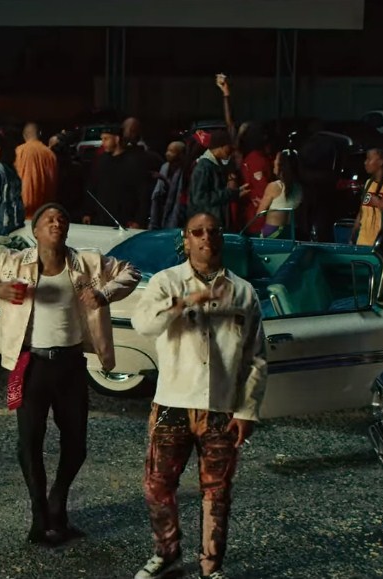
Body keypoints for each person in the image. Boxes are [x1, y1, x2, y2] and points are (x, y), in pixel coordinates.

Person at [0, 203, 140, 546]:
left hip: (71, 364)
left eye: (62, 219)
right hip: (31, 364)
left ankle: (58, 500)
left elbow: (131, 272)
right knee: (29, 443)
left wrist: (103, 293)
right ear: (36, 231)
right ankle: (40, 515)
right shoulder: (12, 263)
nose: (57, 223)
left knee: (77, 446)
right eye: (49, 219)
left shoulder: (87, 262)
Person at [131, 212, 267, 579]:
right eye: (198, 232)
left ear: (221, 237)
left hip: (222, 408)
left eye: (213, 231)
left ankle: (211, 566)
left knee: (217, 492)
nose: (206, 237)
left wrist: (247, 410)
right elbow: (144, 324)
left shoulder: (243, 291)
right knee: (157, 486)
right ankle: (166, 552)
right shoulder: (166, 281)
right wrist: (189, 300)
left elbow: (256, 357)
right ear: (186, 239)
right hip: (172, 403)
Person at [187, 130, 249, 227]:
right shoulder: (204, 167)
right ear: (221, 146)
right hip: (206, 224)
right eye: (229, 147)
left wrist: (236, 192)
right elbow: (200, 199)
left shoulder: (215, 164)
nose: (231, 151)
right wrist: (230, 193)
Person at [350, 148, 383, 246]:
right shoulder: (368, 183)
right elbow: (361, 211)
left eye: (369, 159)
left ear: (381, 162)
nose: (365, 162)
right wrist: (353, 234)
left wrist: (379, 203)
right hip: (362, 241)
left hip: (378, 244)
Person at [255, 149, 302, 239]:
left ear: (281, 166)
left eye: (276, 160)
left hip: (274, 233)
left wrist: (261, 205)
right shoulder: (300, 188)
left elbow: (259, 214)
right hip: (291, 233)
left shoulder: (274, 186)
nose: (273, 162)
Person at [14, 122, 58, 217]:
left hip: (23, 209)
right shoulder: (50, 154)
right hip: (44, 210)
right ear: (39, 134)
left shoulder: (19, 151)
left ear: (24, 135)